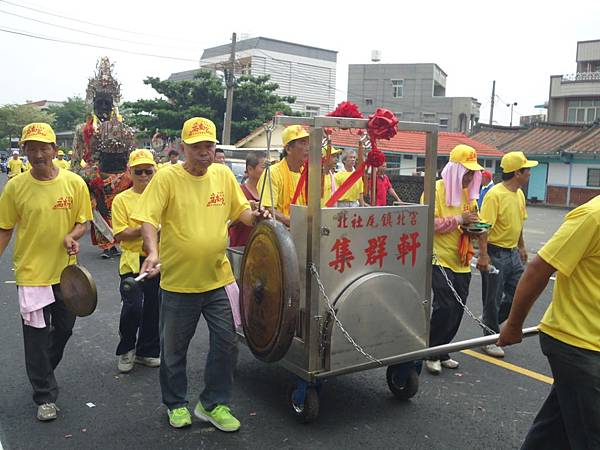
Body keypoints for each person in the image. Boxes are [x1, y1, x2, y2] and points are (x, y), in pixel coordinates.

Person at [133, 117, 270, 432]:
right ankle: (176, 403)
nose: (205, 152)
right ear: (183, 148)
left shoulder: (222, 175)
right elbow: (148, 220)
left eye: (210, 145)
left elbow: (242, 214)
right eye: (197, 147)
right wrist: (152, 252)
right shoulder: (167, 178)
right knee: (173, 350)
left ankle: (212, 403)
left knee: (227, 343)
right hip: (178, 283)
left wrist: (256, 214)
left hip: (217, 278)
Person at [0, 122, 92, 421]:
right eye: (32, 149)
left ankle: (41, 371)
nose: (38, 154)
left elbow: (83, 222)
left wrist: (73, 236)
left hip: (66, 274)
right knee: (36, 337)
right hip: (31, 276)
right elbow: (4, 229)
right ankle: (45, 395)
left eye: (43, 148)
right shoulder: (15, 187)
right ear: (24, 152)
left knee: (64, 329)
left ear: (54, 150)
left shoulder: (74, 183)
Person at [498, 195, 600, 449]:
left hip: (590, 346)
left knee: (556, 430)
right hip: (577, 343)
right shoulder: (592, 216)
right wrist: (513, 324)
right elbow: (539, 268)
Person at [423, 144, 483, 374]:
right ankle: (430, 351)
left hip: (462, 258)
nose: (469, 178)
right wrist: (460, 219)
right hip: (439, 257)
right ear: (455, 170)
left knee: (458, 307)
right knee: (445, 305)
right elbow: (430, 223)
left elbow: (472, 221)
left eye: (472, 173)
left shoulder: (470, 195)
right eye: (466, 172)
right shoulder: (435, 189)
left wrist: (474, 228)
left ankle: (442, 349)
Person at [72, 57, 135, 260]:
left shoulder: (125, 129)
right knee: (99, 207)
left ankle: (122, 239)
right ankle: (107, 243)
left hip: (122, 177)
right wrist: (87, 175)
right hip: (96, 176)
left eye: (107, 103)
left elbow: (131, 155)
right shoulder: (83, 130)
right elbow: (76, 159)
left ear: (113, 103)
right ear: (93, 103)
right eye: (99, 103)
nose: (104, 107)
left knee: (123, 207)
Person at [477, 151, 537, 358]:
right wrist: (483, 256)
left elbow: (519, 222)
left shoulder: (519, 193)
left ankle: (488, 319)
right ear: (517, 172)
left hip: (512, 253)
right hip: (495, 253)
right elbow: (483, 227)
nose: (530, 173)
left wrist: (521, 246)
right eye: (527, 170)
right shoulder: (495, 195)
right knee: (492, 298)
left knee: (519, 294)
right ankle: (490, 338)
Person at [112, 149, 160, 373]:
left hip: (158, 261)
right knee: (134, 306)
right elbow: (120, 233)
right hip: (132, 261)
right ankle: (126, 348)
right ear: (129, 172)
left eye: (148, 171)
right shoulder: (121, 200)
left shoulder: (162, 196)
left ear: (155, 171)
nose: (144, 176)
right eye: (138, 171)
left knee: (154, 307)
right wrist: (147, 228)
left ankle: (147, 351)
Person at [257, 125, 309, 227]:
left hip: (303, 230)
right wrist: (290, 221)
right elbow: (267, 208)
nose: (308, 148)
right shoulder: (272, 173)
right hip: (281, 234)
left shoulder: (307, 174)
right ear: (289, 149)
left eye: (309, 143)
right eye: (303, 143)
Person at [229, 151, 267, 247]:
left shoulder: (269, 193)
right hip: (241, 249)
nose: (268, 171)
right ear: (250, 169)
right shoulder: (239, 192)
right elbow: (228, 222)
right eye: (264, 167)